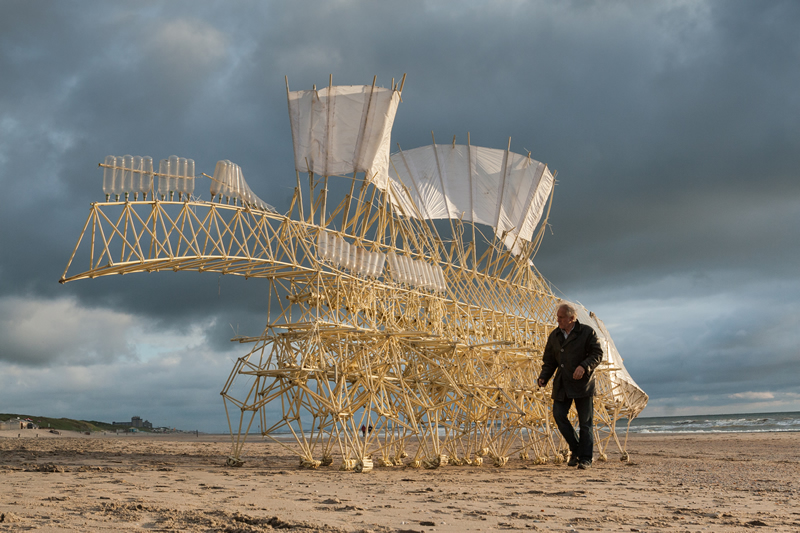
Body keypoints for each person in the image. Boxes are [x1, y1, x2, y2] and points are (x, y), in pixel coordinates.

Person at [537, 302, 603, 470]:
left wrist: (584, 366)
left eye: (561, 317)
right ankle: (576, 449)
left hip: (583, 383)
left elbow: (597, 354)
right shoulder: (554, 336)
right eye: (557, 317)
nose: (557, 320)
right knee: (559, 415)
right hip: (562, 383)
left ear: (572, 318)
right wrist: (544, 377)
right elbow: (549, 361)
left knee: (585, 423)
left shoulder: (587, 333)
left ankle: (585, 458)